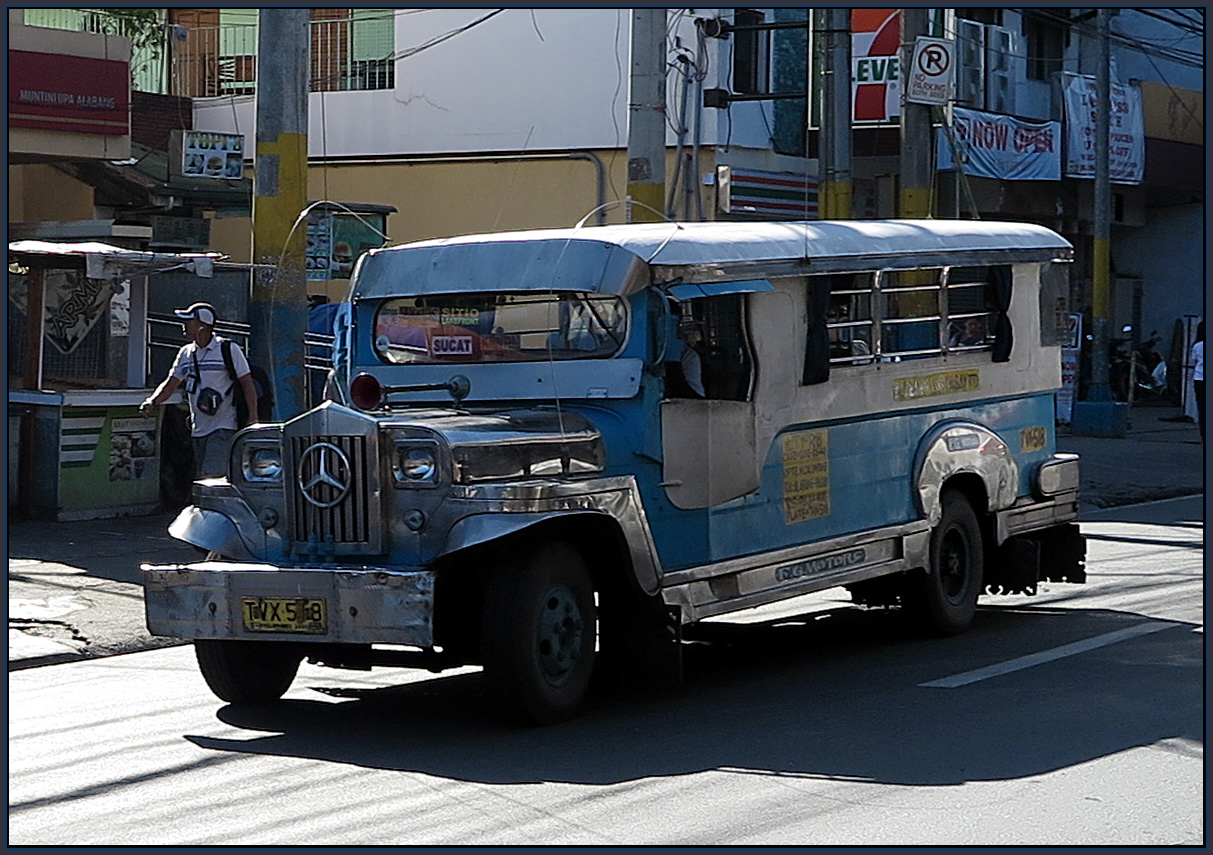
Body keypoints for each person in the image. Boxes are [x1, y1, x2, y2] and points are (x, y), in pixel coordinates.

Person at [139, 302, 259, 479]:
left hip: (224, 426)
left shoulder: (228, 349)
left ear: (202, 325)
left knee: (211, 476)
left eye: (189, 321)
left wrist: (253, 417)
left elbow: (247, 383)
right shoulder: (186, 353)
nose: (184, 325)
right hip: (198, 428)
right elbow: (171, 382)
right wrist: (153, 401)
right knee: (203, 478)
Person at [1192, 321, 1204, 442]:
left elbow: (1194, 360)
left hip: (1199, 378)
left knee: (1202, 408)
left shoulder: (1197, 346)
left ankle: (1203, 435)